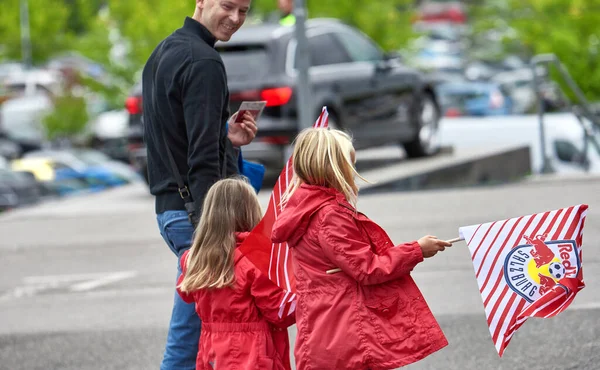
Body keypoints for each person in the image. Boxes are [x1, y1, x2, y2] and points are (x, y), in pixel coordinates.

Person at [271, 128, 451, 370]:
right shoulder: (329, 215)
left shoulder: (303, 208)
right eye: (350, 166)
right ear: (334, 169)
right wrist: (416, 250)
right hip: (345, 332)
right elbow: (367, 268)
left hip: (322, 328)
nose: (354, 174)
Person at [141, 0, 257, 368]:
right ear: (202, 1)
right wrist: (214, 229)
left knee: (204, 334)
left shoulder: (163, 51)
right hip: (199, 217)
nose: (235, 19)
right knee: (190, 343)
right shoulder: (205, 62)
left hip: (172, 212)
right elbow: (202, 160)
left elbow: (181, 137)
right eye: (228, 6)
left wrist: (228, 137)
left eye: (244, 11)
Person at [177, 178, 296, 370]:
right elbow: (278, 312)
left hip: (212, 352)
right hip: (252, 354)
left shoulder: (194, 259)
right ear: (249, 212)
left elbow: (186, 294)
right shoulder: (255, 258)